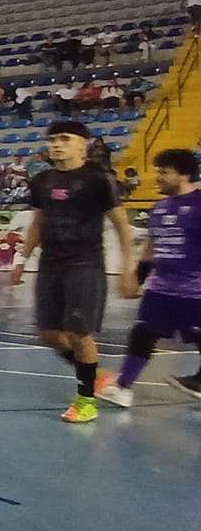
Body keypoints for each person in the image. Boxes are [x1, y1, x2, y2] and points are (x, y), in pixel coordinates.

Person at [11, 120, 133, 423]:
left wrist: (128, 266)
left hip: (85, 264)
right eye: (52, 139)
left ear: (83, 144)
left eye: (64, 139)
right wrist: (20, 259)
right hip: (50, 265)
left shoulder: (98, 179)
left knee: (78, 331)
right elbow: (38, 222)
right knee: (49, 334)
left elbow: (120, 223)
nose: (56, 144)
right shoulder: (42, 181)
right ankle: (96, 375)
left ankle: (86, 401)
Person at [100, 149, 201, 407]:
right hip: (161, 289)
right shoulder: (160, 207)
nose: (158, 177)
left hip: (195, 290)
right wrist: (138, 277)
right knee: (143, 333)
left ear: (184, 174)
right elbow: (152, 246)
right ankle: (122, 387)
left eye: (164, 172)